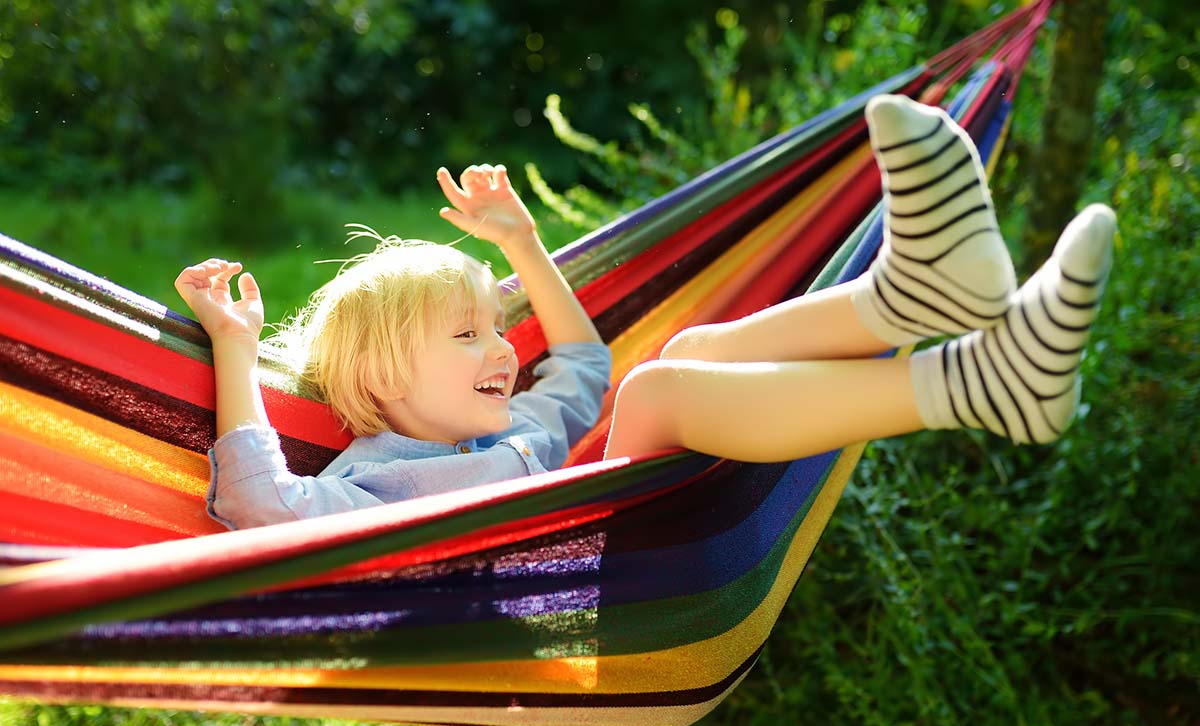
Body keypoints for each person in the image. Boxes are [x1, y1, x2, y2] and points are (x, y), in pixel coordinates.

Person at [177, 95, 1116, 531]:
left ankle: (914, 297)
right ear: (380, 378)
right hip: (583, 585)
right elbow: (260, 502)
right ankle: (977, 385)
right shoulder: (369, 485)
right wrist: (235, 347)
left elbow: (583, 363)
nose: (503, 350)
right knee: (657, 390)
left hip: (627, 523)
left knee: (688, 347)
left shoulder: (524, 428)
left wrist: (523, 245)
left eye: (496, 326)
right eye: (467, 334)